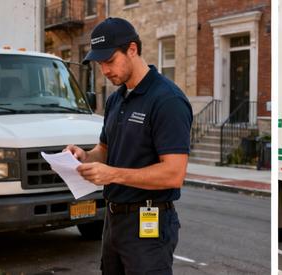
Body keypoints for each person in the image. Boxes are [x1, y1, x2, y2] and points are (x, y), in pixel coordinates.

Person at [66, 17, 192, 274]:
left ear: (132, 50)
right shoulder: (116, 99)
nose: (105, 70)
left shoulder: (168, 100)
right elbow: (105, 150)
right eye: (100, 63)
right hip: (114, 221)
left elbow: (174, 174)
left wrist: (112, 174)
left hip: (149, 224)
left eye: (110, 61)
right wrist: (84, 157)